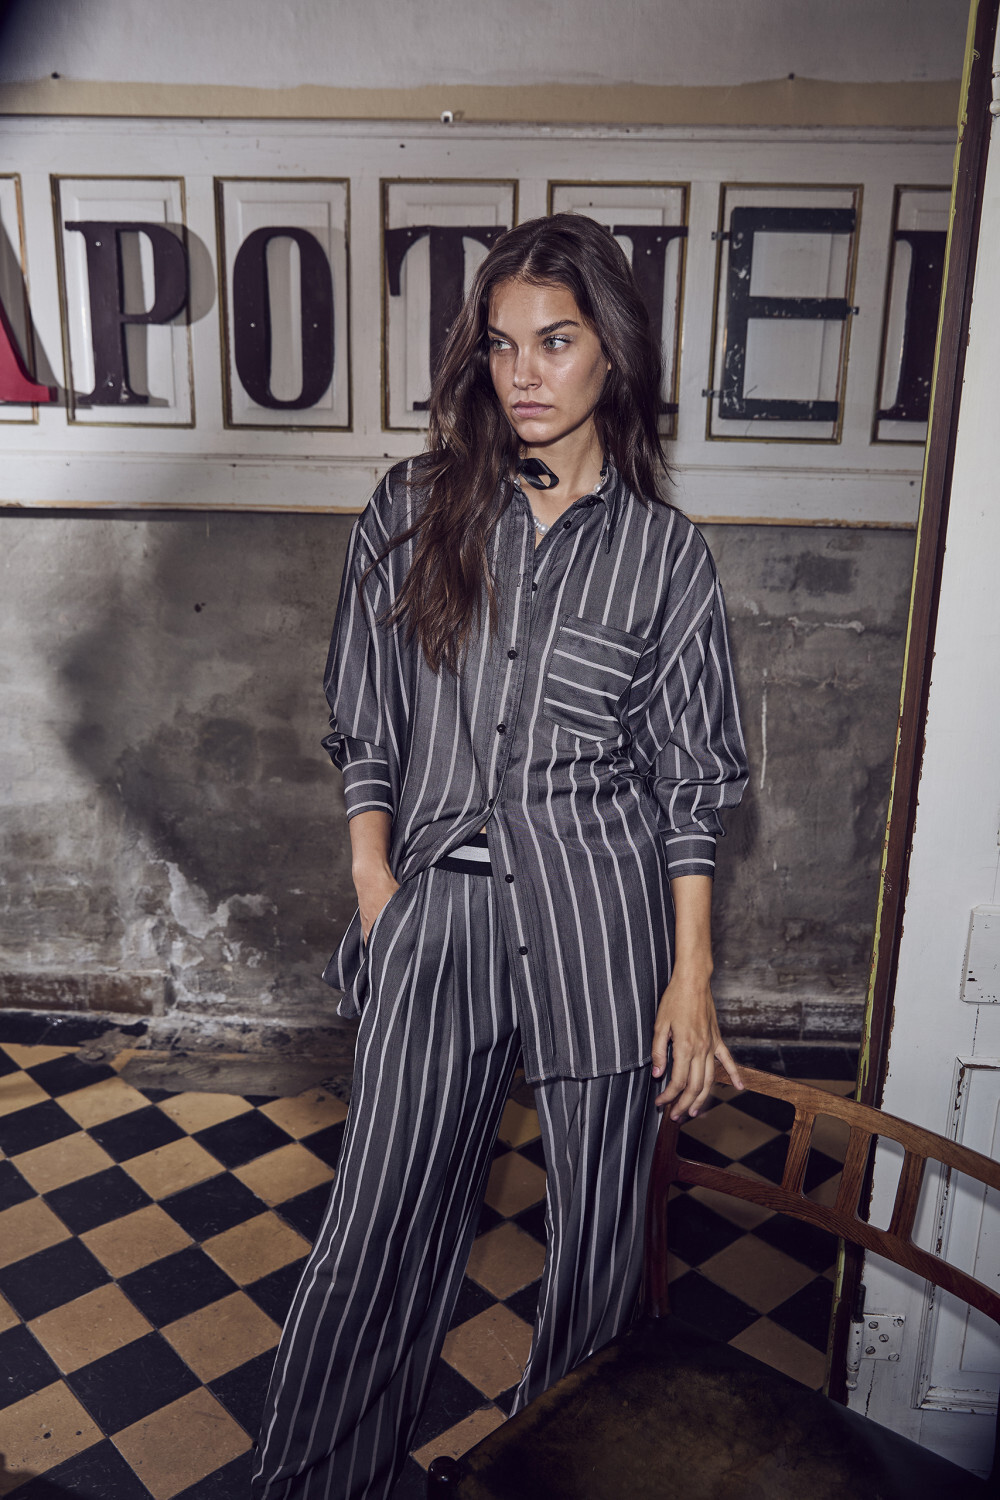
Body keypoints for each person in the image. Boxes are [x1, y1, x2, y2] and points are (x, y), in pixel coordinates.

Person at [252, 212, 749, 1500]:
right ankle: (318, 1484)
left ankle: (553, 1481)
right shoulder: (415, 507)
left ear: (612, 353)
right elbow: (365, 717)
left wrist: (690, 977)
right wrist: (377, 886)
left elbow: (692, 785)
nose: (524, 372)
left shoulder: (666, 557)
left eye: (557, 341)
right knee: (375, 1230)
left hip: (602, 924)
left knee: (597, 1257)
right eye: (501, 344)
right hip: (438, 915)